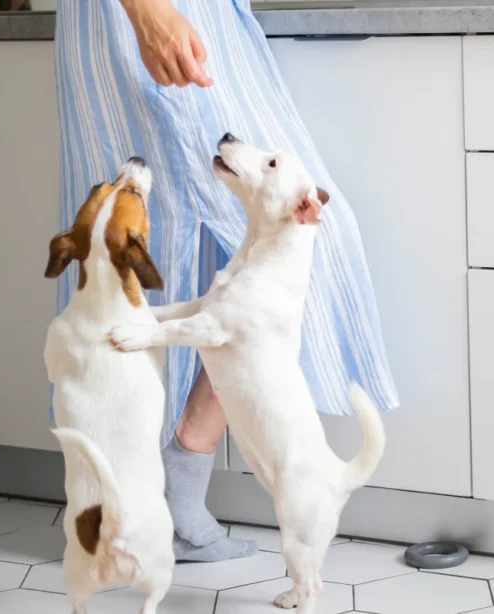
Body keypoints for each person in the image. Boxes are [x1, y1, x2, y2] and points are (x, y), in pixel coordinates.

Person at [53, 0, 399, 562]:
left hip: (207, 21)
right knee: (130, 248)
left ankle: (167, 484)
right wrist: (146, 13)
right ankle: (123, 508)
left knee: (259, 239)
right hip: (135, 18)